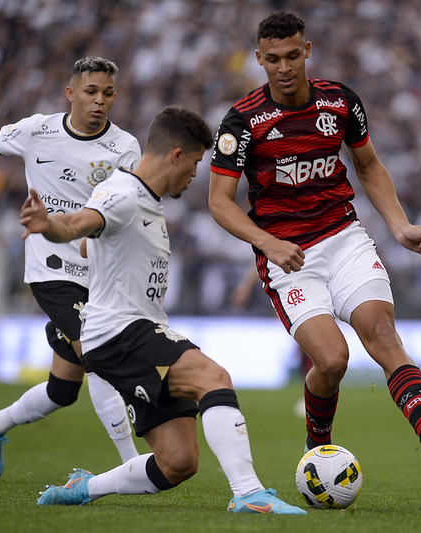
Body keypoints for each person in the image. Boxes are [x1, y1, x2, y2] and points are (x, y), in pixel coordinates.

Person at [207, 11, 421, 481]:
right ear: (259, 60)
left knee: (384, 337)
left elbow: (368, 166)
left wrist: (399, 225)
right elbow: (219, 203)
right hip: (289, 257)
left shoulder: (340, 102)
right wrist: (269, 243)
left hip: (345, 239)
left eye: (291, 56)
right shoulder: (243, 121)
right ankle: (317, 448)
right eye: (272, 60)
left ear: (306, 51)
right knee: (332, 360)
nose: (284, 68)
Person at [20, 105, 305, 514]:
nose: (194, 175)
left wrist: (94, 239)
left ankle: (86, 487)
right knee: (213, 376)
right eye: (193, 164)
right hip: (121, 332)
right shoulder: (123, 195)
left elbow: (90, 236)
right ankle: (248, 494)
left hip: (125, 334)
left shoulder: (135, 196)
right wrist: (53, 226)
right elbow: (78, 225)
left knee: (179, 462)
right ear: (175, 154)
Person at [0, 57, 140, 476]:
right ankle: (134, 465)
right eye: (90, 92)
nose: (99, 101)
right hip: (51, 269)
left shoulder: (125, 146)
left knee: (63, 388)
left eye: (107, 94)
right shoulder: (38, 130)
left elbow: (128, 203)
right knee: (99, 354)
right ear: (71, 94)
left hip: (101, 274)